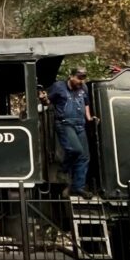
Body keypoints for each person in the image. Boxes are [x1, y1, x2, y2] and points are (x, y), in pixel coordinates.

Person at [47, 66, 98, 199]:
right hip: (64, 123)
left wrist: (88, 117)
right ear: (71, 76)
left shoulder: (83, 88)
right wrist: (43, 98)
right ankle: (63, 170)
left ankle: (78, 187)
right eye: (79, 78)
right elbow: (47, 101)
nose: (81, 81)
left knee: (85, 157)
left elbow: (86, 103)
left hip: (80, 124)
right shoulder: (58, 87)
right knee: (75, 150)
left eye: (83, 78)